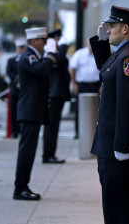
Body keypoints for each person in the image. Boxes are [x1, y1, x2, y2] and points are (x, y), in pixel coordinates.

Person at [89, 5, 129, 224]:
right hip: (110, 144)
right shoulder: (122, 53)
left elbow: (127, 105)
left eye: (112, 26)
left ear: (125, 29)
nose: (108, 29)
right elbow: (106, 71)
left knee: (118, 210)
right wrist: (102, 43)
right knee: (113, 207)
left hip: (117, 147)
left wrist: (122, 147)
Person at [13, 27, 58, 201]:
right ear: (34, 41)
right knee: (26, 151)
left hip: (33, 111)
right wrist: (50, 55)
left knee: (29, 151)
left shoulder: (35, 56)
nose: (46, 44)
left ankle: (23, 186)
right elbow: (42, 69)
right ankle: (20, 188)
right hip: (29, 111)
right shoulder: (28, 56)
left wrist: (49, 56)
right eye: (43, 40)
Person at [42, 29, 70, 163]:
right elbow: (57, 60)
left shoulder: (56, 52)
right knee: (51, 126)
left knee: (54, 126)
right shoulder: (50, 52)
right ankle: (48, 154)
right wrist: (63, 47)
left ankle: (50, 153)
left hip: (58, 93)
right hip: (53, 93)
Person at [69, 41, 101, 139]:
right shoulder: (79, 54)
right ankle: (78, 132)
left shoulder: (99, 54)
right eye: (90, 44)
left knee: (97, 109)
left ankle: (96, 133)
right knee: (79, 109)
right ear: (87, 44)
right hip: (82, 85)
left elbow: (104, 70)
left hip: (96, 85)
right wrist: (74, 83)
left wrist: (102, 86)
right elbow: (73, 69)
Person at [6, 38, 27, 138]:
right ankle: (15, 131)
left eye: (23, 48)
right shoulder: (11, 60)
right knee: (13, 111)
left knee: (23, 111)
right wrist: (15, 78)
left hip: (24, 90)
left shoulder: (27, 58)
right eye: (19, 48)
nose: (21, 50)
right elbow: (9, 71)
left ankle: (22, 130)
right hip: (15, 89)